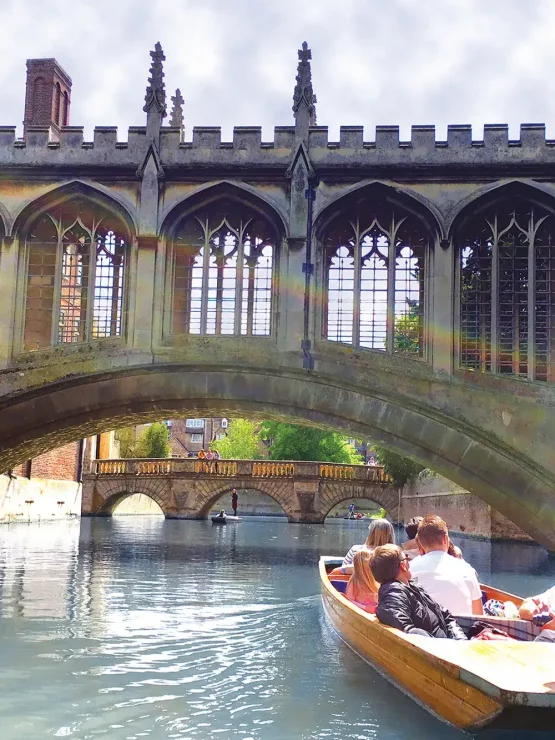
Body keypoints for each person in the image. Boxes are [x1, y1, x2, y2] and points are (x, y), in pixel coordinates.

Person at [370, 544, 467, 639]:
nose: (409, 562)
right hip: (437, 650)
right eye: (406, 558)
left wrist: (459, 639)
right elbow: (408, 632)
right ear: (403, 566)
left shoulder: (414, 587)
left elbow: (445, 614)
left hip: (451, 642)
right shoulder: (393, 594)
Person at [410, 515, 483, 615]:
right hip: (463, 629)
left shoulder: (410, 568)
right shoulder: (466, 569)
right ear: (445, 539)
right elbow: (479, 615)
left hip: (424, 629)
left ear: (421, 543)